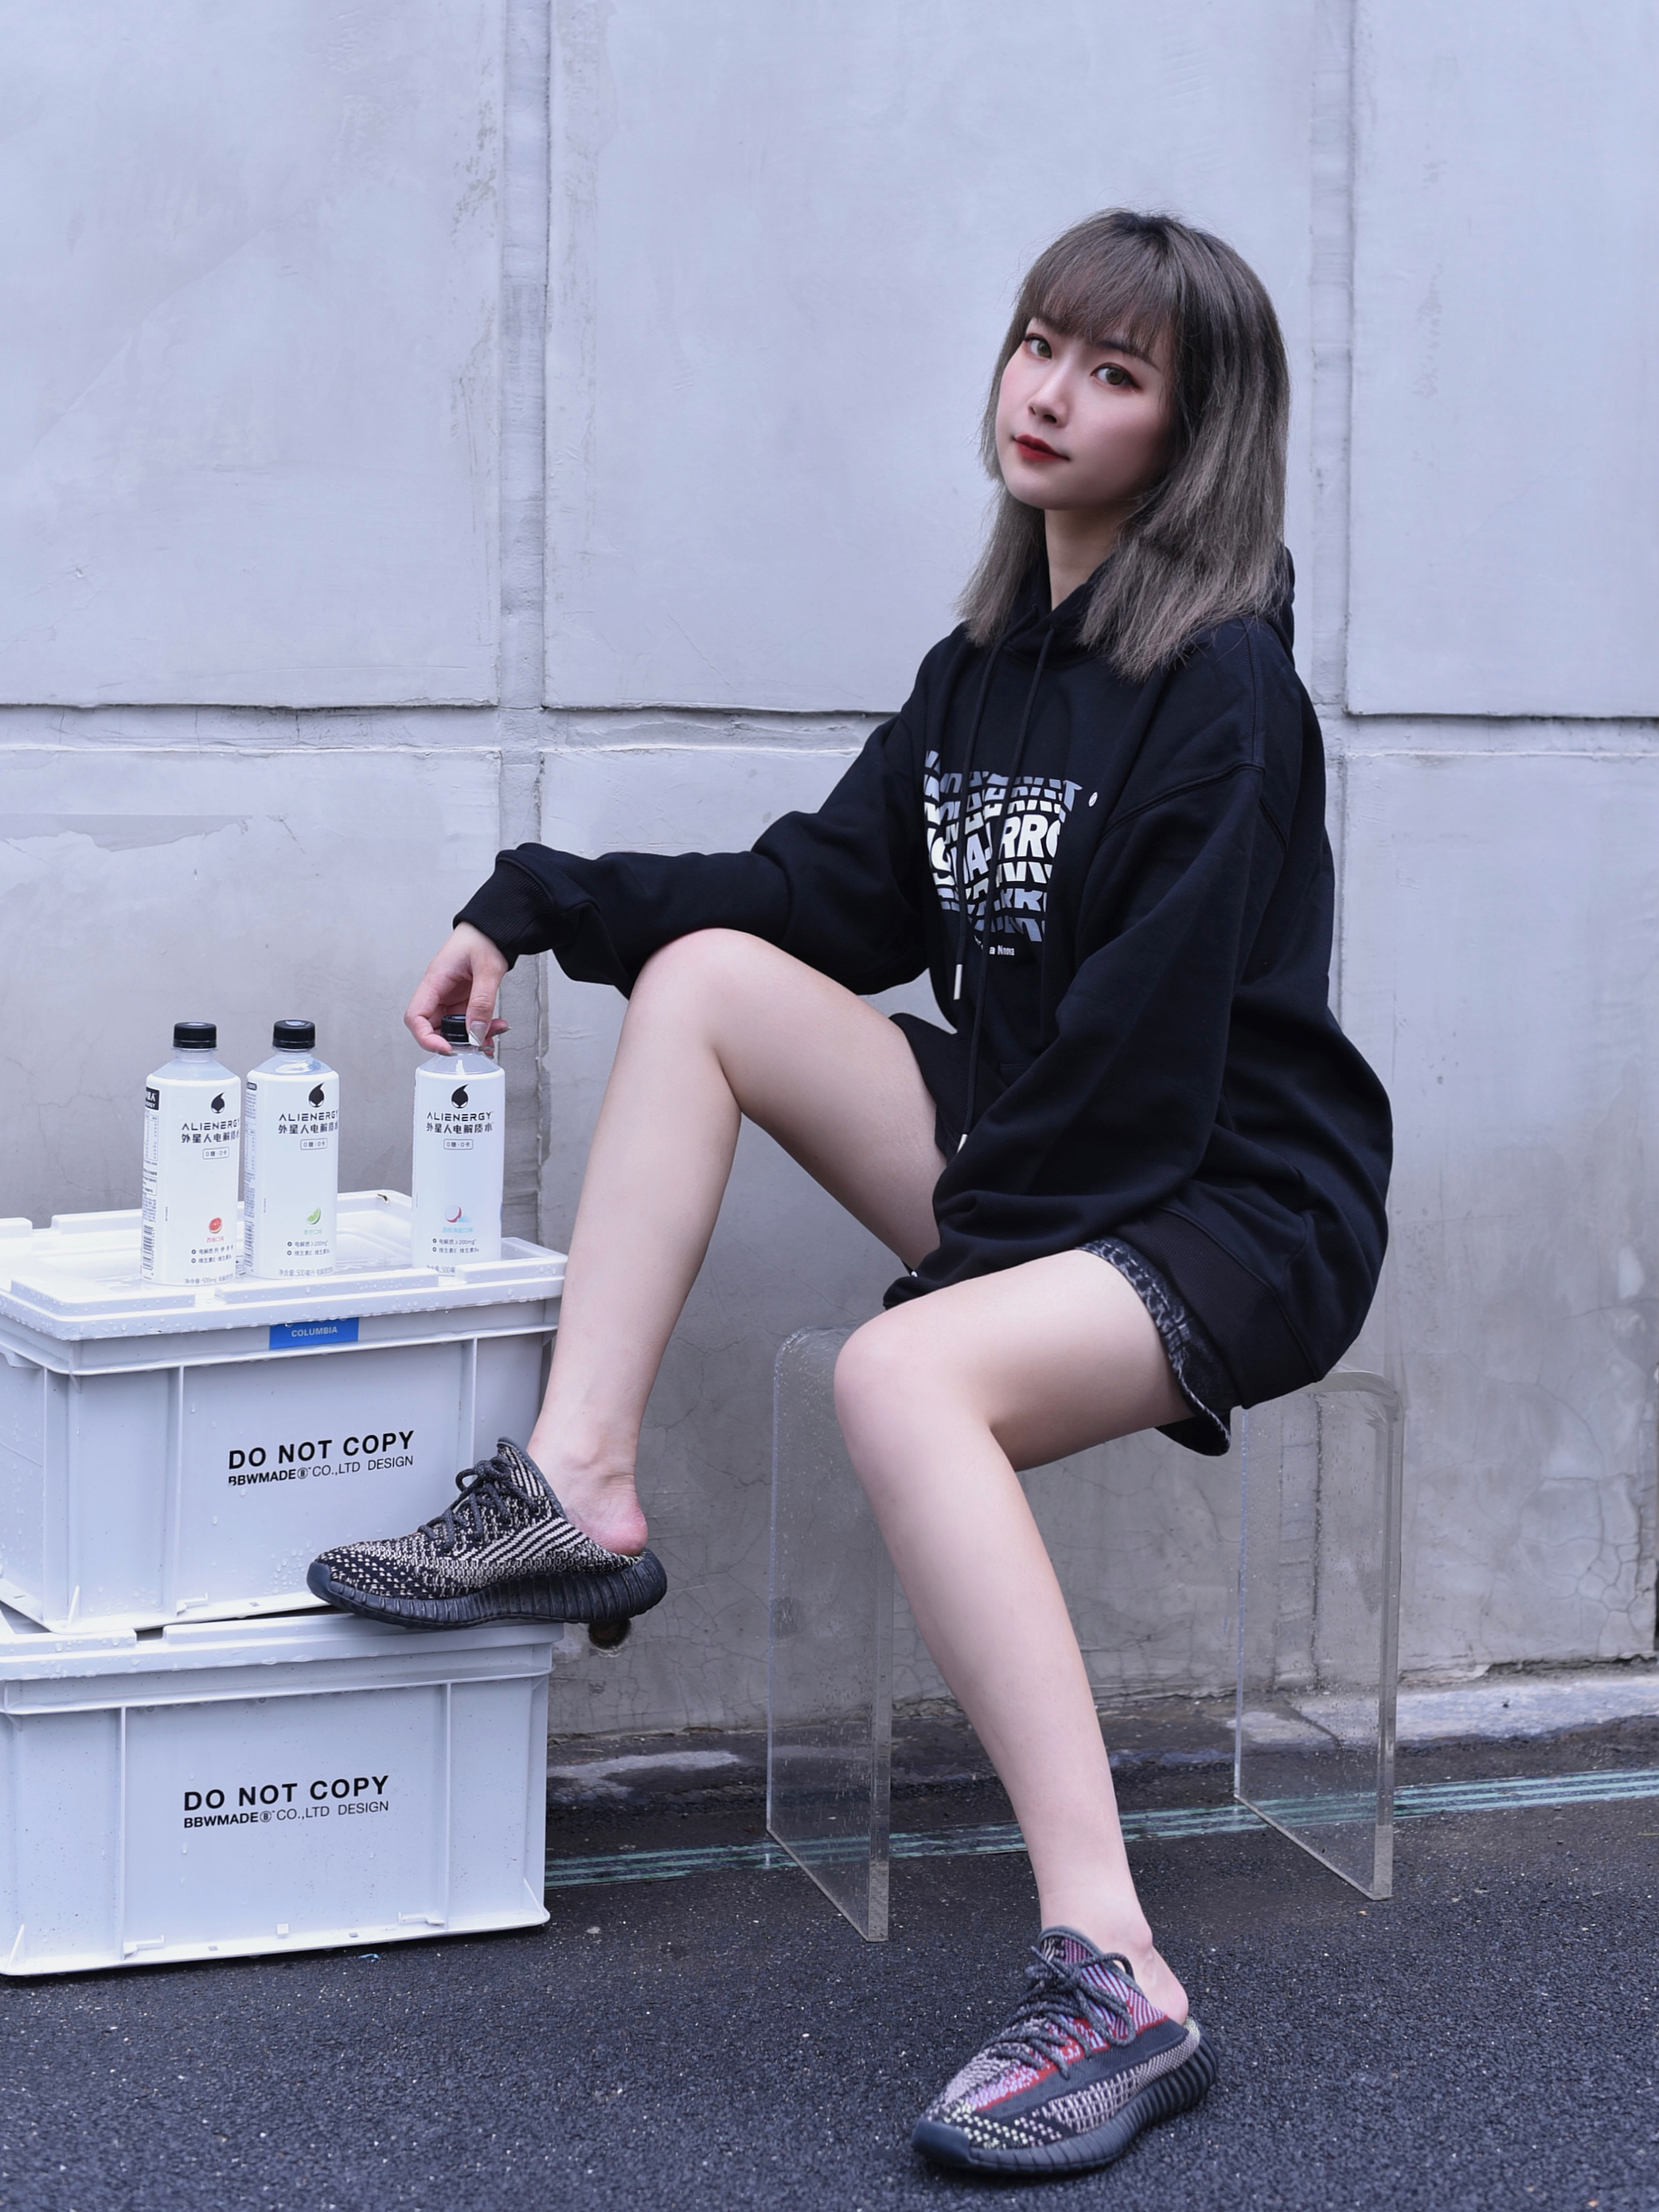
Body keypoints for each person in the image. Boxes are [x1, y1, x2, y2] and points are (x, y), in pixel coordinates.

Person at [309, 209, 1391, 2177]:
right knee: (714, 982)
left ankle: (1118, 1976)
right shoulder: (978, 672)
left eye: (1115, 374)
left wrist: (955, 1289)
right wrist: (536, 901)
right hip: (1057, 1147)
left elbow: (1150, 1048)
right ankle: (576, 1487)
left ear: (1190, 433)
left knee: (900, 1381)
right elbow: (817, 899)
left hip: (1238, 1200)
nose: (1047, 393)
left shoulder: (1225, 690)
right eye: (1040, 343)